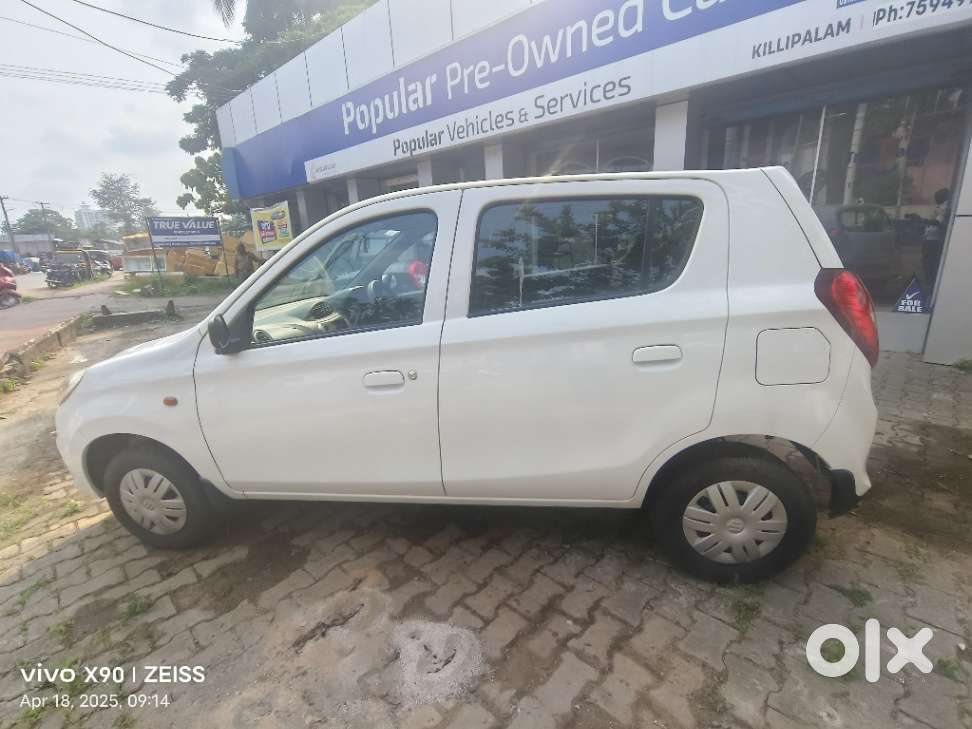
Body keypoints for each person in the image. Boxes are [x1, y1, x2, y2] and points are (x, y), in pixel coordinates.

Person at [923, 188, 950, 295]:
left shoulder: (945, 207)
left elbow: (939, 222)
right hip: (929, 240)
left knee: (931, 266)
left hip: (934, 242)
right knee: (927, 265)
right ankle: (930, 286)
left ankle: (932, 290)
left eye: (938, 196)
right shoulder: (940, 207)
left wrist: (923, 220)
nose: (936, 199)